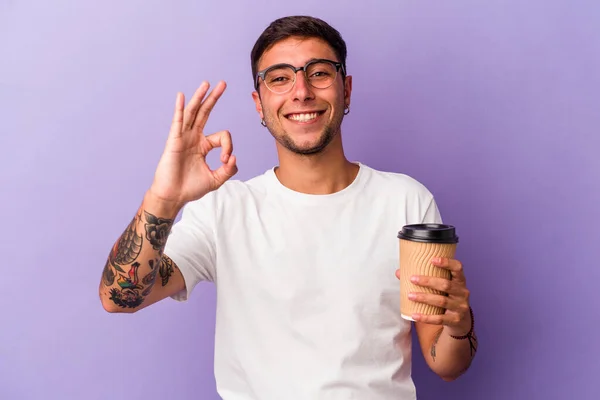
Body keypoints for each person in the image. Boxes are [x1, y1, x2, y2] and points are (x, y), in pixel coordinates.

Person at [99, 15, 478, 399]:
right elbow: (119, 298)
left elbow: (444, 362)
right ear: (259, 103)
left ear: (345, 89)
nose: (301, 92)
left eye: (319, 73)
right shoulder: (226, 210)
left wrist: (459, 324)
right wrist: (163, 200)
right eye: (279, 78)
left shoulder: (406, 201)